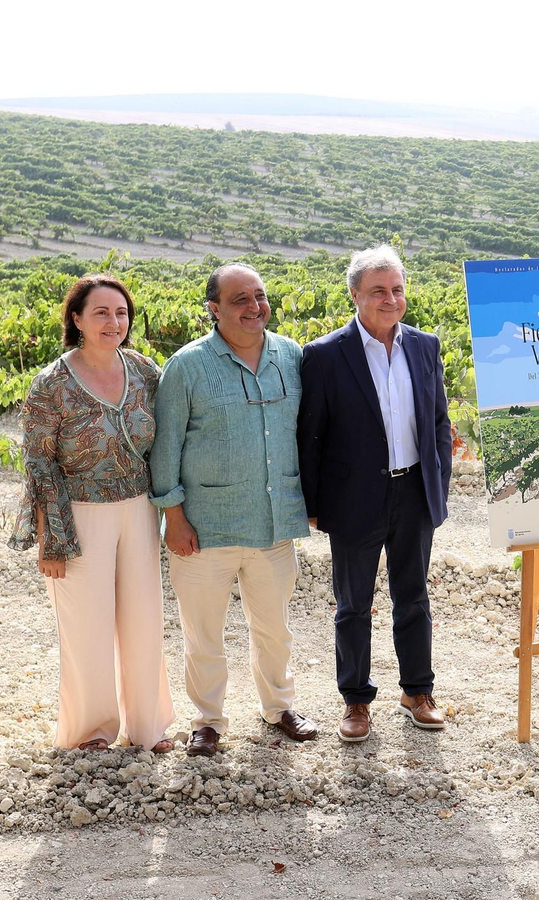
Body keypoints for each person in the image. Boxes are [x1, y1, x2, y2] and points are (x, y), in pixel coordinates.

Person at [150, 262, 318, 756]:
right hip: (204, 526)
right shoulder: (187, 365)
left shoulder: (291, 357)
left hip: (272, 522)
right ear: (214, 309)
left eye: (259, 297)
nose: (253, 307)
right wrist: (173, 517)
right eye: (239, 299)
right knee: (204, 634)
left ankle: (280, 707)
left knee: (274, 628)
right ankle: (208, 721)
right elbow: (166, 448)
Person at [9, 274, 175, 752]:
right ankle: (93, 732)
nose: (113, 321)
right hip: (78, 512)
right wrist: (53, 539)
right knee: (87, 628)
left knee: (144, 621)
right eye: (101, 312)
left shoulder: (145, 371)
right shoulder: (51, 384)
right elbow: (39, 465)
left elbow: (163, 444)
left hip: (140, 510)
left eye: (121, 313)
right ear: (76, 319)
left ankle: (148, 727)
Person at [298, 245, 453, 741]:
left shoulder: (425, 346)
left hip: (413, 493)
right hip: (354, 499)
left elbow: (438, 422)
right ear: (355, 295)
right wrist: (317, 506)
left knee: (414, 597)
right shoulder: (323, 355)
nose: (391, 299)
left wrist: (438, 486)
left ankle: (416, 691)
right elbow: (311, 437)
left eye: (397, 289)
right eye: (379, 291)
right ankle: (357, 700)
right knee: (352, 605)